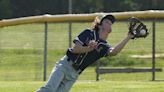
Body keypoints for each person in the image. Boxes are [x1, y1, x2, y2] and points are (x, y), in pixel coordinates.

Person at [36, 14, 134, 92]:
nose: (110, 24)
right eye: (107, 21)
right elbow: (75, 49)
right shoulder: (89, 33)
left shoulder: (104, 46)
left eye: (111, 23)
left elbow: (114, 52)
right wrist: (89, 48)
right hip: (65, 65)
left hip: (74, 73)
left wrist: (128, 37)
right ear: (100, 25)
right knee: (49, 89)